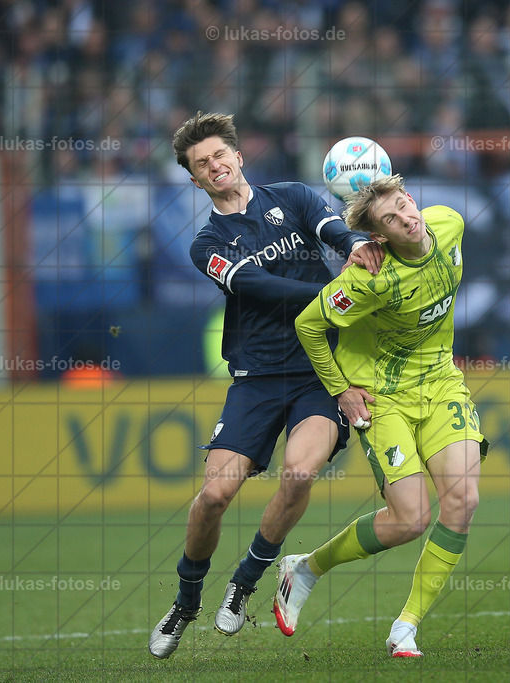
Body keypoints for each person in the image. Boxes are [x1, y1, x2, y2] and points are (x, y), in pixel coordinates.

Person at [149, 112, 383, 659]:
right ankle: (186, 601)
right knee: (213, 496)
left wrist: (353, 246)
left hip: (319, 371)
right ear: (194, 179)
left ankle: (244, 583)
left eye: (219, 155)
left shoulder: (297, 196)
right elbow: (253, 283)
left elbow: (332, 229)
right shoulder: (206, 243)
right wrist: (330, 297)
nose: (214, 166)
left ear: (237, 155)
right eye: (201, 164)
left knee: (299, 473)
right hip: (255, 378)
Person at [274, 174, 488, 658]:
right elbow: (308, 325)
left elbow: (434, 225)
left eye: (405, 205)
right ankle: (306, 568)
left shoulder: (449, 224)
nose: (406, 218)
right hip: (383, 397)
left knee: (464, 500)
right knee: (411, 520)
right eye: (391, 219)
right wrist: (341, 391)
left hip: (440, 382)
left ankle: (405, 626)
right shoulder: (369, 278)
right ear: (379, 238)